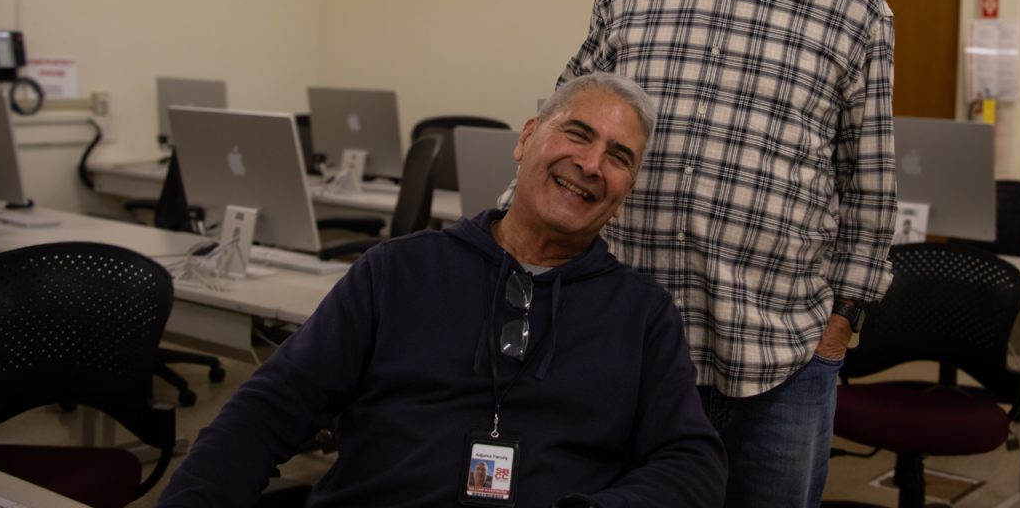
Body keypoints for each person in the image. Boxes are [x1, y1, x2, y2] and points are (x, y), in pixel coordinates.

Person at [557, 0, 896, 507]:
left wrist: (840, 326)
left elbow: (869, 186)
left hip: (782, 359)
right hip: (627, 347)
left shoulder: (854, 4)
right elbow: (567, 123)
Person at [157, 73, 727, 508]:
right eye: (577, 134)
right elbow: (268, 408)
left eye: (619, 157)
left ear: (626, 190)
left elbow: (692, 460)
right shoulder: (397, 272)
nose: (591, 163)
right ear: (527, 139)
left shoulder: (643, 314)